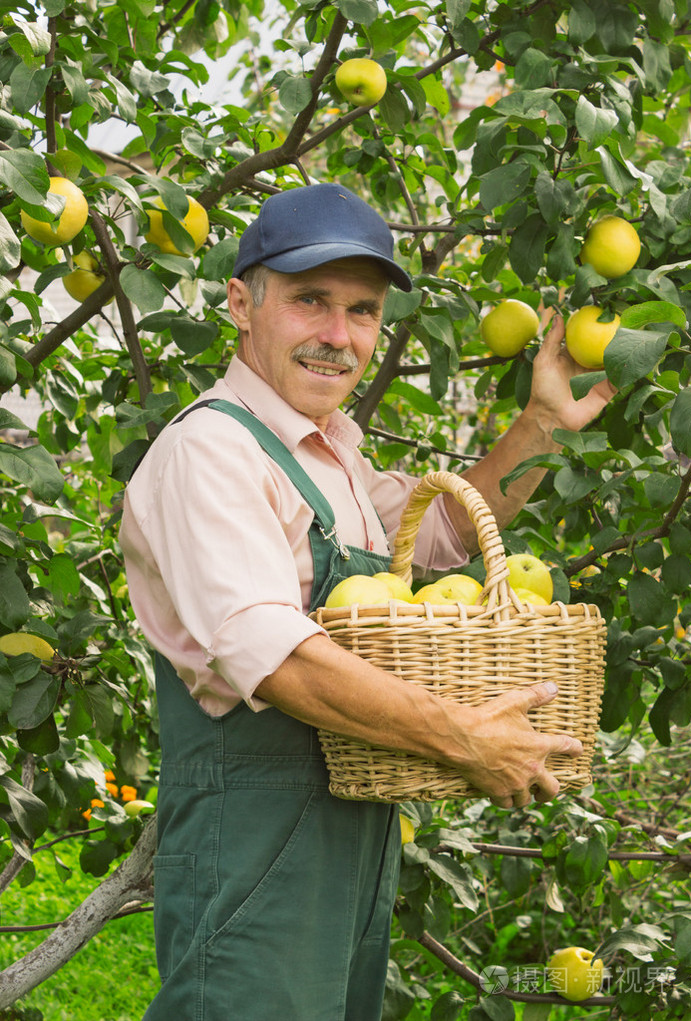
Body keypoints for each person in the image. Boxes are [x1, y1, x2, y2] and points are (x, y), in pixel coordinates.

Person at [119, 183, 614, 1021]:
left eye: (362, 311)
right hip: (254, 851)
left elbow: (441, 536)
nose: (338, 336)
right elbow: (274, 658)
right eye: (310, 300)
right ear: (241, 303)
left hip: (353, 839)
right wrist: (464, 736)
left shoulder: (331, 455)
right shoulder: (212, 452)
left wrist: (542, 423)